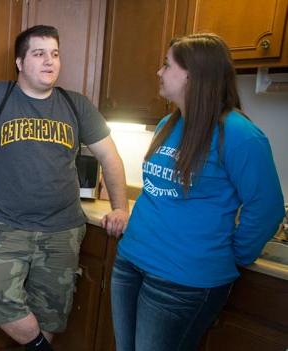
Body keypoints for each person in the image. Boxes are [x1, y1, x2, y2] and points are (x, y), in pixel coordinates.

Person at [0, 25, 129, 351]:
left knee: (51, 313)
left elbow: (110, 157)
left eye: (54, 54)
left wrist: (120, 206)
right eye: (39, 54)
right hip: (9, 225)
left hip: (64, 229)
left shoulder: (75, 105)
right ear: (20, 62)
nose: (49, 61)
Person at [110, 33, 285, 351]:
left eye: (167, 65)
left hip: (181, 281)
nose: (159, 72)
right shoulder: (168, 122)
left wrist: (238, 254)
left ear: (192, 74)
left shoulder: (238, 134)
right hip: (131, 261)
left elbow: (268, 208)